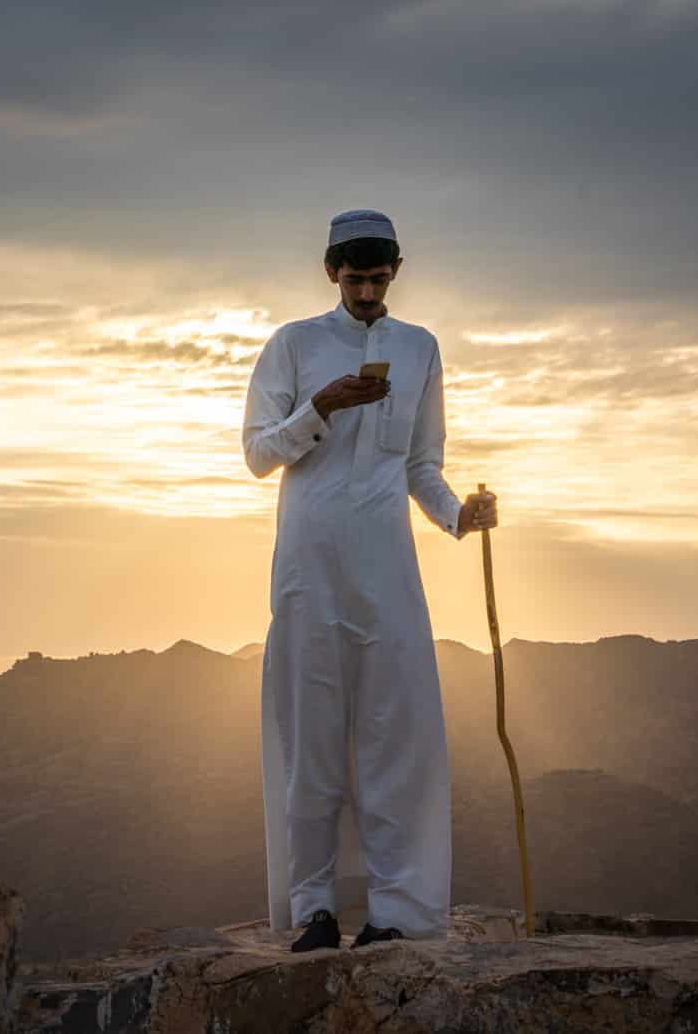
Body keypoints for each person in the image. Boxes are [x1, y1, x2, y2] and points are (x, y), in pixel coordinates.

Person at [242, 208, 498, 952]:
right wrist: (320, 406)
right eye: (354, 278)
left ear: (394, 274)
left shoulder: (419, 349)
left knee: (396, 735)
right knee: (311, 740)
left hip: (388, 569)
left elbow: (421, 464)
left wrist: (460, 513)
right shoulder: (293, 345)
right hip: (308, 569)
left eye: (378, 279)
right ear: (331, 272)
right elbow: (259, 454)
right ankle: (313, 906)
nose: (365, 291)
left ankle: (398, 911)